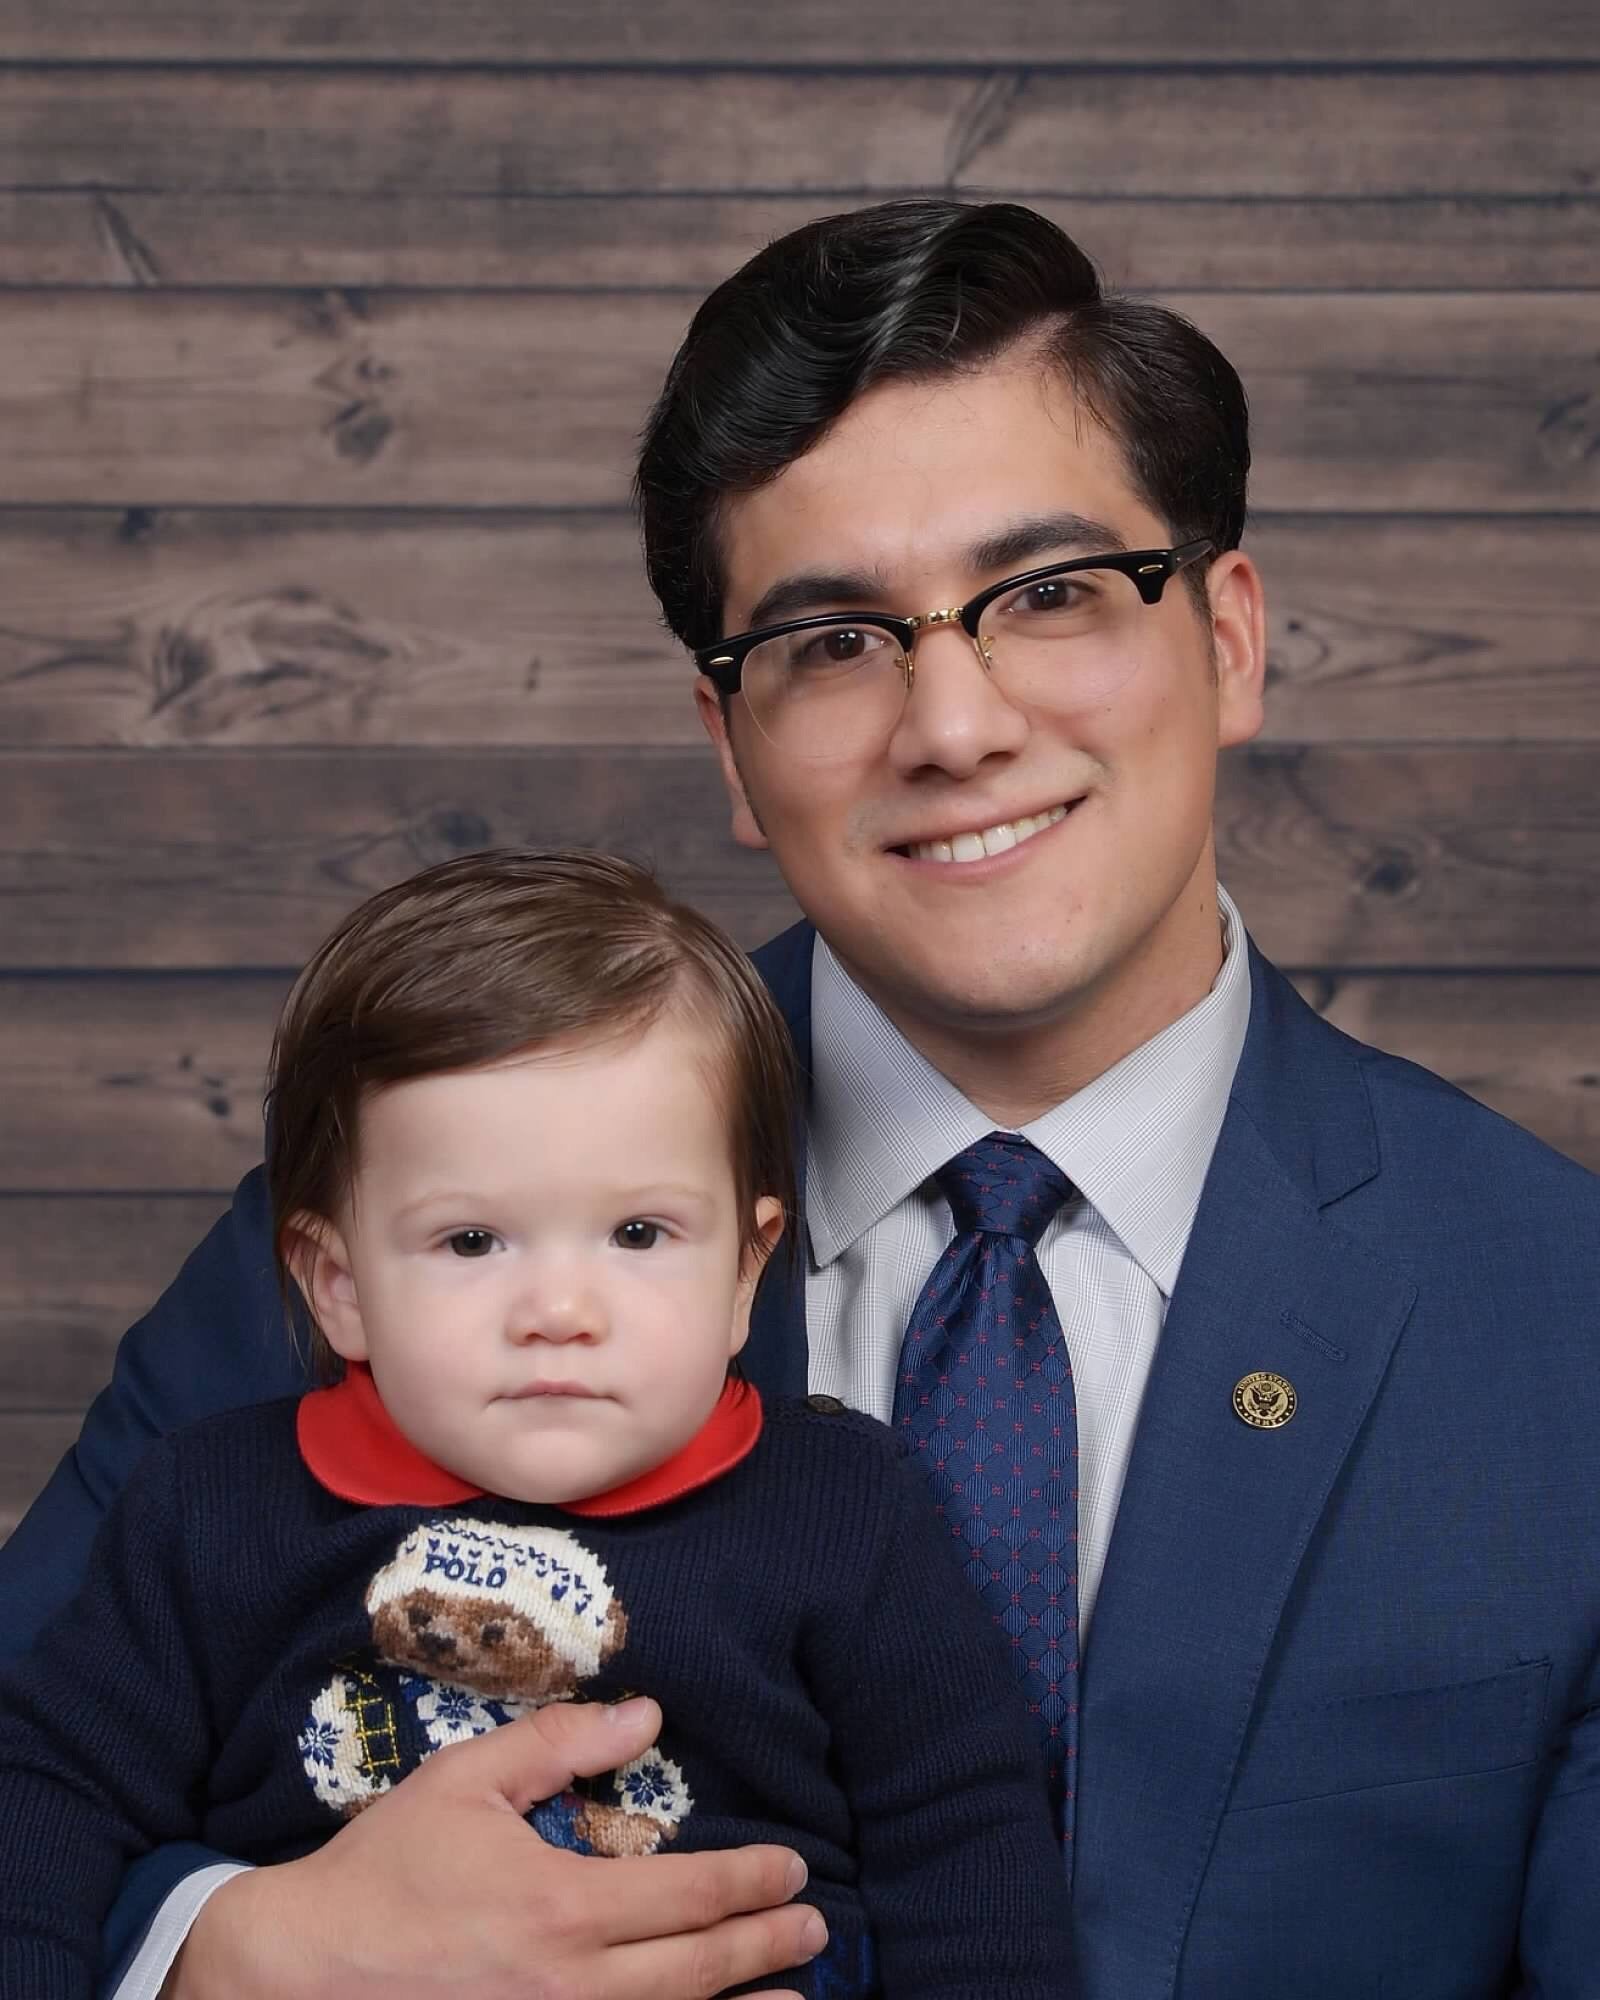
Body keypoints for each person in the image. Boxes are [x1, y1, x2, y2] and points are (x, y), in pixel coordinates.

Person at [2, 197, 1597, 1999]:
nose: (953, 723)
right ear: (730, 746)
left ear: (1227, 639)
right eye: (834, 640)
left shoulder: (1561, 1315)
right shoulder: (430, 1195)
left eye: (1051, 594)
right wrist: (224, 1956)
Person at [0, 848, 1075, 2000]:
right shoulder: (209, 1507)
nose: (559, 1311)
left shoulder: (848, 1510)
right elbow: (42, 1792)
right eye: (472, 1241)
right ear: (338, 1283)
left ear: (744, 1272)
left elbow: (967, 1852)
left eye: (638, 1234)